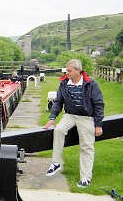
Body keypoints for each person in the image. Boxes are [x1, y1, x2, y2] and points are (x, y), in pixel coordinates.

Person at [43, 59, 104, 188]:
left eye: (69, 71)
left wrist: (98, 124)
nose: (67, 73)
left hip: (86, 117)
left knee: (86, 146)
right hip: (70, 115)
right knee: (58, 130)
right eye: (66, 71)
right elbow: (58, 101)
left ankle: (85, 178)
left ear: (78, 70)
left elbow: (99, 104)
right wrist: (52, 118)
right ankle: (56, 162)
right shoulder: (64, 83)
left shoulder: (91, 83)